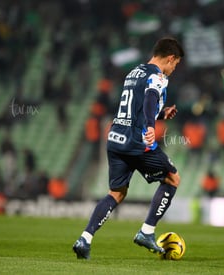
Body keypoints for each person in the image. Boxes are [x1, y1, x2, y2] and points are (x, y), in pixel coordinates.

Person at [73, 37, 184, 259]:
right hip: (137, 141)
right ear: (170, 58)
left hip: (115, 138)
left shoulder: (134, 72)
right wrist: (152, 126)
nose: (174, 69)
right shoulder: (158, 76)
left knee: (116, 192)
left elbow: (137, 106)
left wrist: (161, 114)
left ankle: (85, 238)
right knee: (173, 179)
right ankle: (147, 231)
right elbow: (151, 97)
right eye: (176, 64)